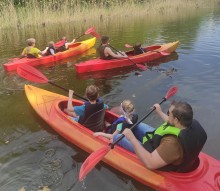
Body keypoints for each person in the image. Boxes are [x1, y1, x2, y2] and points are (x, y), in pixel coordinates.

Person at [112, 101, 207, 172]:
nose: (167, 114)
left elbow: (151, 164)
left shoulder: (172, 144)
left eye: (169, 113)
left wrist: (132, 139)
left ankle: (109, 139)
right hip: (157, 143)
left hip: (153, 155)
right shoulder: (188, 123)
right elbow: (172, 123)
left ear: (176, 119)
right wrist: (159, 112)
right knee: (136, 126)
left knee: (117, 137)